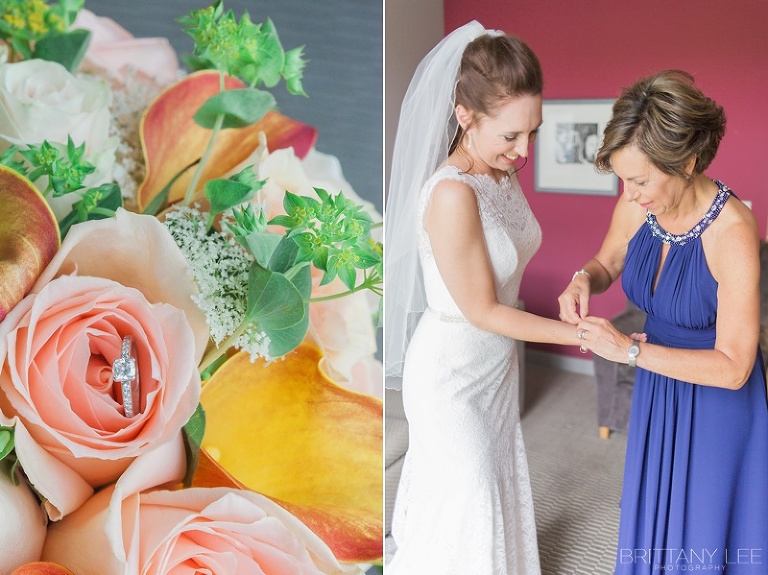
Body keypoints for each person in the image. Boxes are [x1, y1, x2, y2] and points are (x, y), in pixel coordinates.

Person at [384, 21, 585, 574]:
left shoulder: (499, 174)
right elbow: (482, 309)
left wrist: (572, 290)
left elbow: (510, 262)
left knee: (490, 488)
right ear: (465, 116)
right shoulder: (452, 194)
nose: (524, 151)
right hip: (450, 372)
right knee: (469, 495)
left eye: (533, 132)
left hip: (496, 364)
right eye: (511, 136)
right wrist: (581, 335)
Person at [558, 69, 768, 574]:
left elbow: (735, 366)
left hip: (717, 398)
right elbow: (607, 261)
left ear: (687, 161)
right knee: (656, 518)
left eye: (640, 179)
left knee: (703, 534)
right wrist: (582, 278)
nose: (629, 193)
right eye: (622, 179)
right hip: (660, 385)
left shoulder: (732, 231)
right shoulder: (640, 203)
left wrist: (627, 351)